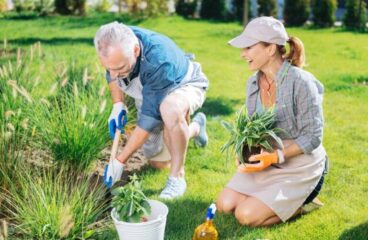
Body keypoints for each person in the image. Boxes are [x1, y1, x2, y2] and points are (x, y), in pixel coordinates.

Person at [216, 17, 328, 226]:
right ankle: (270, 200)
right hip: (268, 158)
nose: (243, 54)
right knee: (225, 204)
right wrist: (242, 151)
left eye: (249, 47)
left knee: (246, 216)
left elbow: (313, 136)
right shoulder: (253, 83)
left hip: (299, 164)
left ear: (270, 49)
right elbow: (252, 129)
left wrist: (276, 156)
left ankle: (303, 203)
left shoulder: (301, 82)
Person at [94, 22, 209, 200]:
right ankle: (195, 127)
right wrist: (118, 104)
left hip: (183, 82)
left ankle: (177, 177)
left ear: (135, 51)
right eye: (110, 68)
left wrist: (119, 161)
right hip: (149, 87)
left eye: (119, 68)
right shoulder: (113, 41)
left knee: (169, 110)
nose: (114, 75)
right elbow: (112, 71)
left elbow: (147, 122)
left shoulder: (158, 61)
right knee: (158, 162)